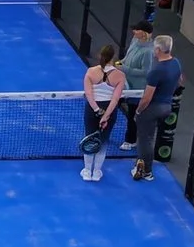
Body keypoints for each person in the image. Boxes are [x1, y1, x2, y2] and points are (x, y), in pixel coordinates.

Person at [126, 34, 185, 180]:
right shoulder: (176, 63)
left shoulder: (156, 71)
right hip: (167, 107)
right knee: (149, 137)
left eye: (154, 48)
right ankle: (143, 166)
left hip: (153, 108)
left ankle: (146, 171)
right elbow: (180, 82)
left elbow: (147, 97)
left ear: (158, 49)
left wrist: (138, 111)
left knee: (145, 139)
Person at [79, 45, 125, 182]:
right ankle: (96, 172)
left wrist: (96, 110)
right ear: (113, 58)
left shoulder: (90, 72)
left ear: (101, 56)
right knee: (103, 141)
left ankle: (87, 171)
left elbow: (88, 94)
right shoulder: (120, 75)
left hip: (92, 109)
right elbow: (115, 98)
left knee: (89, 138)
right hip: (109, 110)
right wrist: (106, 115)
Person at [116, 18, 157, 159]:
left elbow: (146, 72)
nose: (134, 31)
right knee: (112, 103)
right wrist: (120, 63)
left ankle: (130, 140)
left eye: (137, 29)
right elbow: (127, 56)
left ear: (144, 33)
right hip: (123, 82)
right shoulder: (134, 40)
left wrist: (125, 68)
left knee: (133, 114)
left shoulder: (148, 52)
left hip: (137, 89)